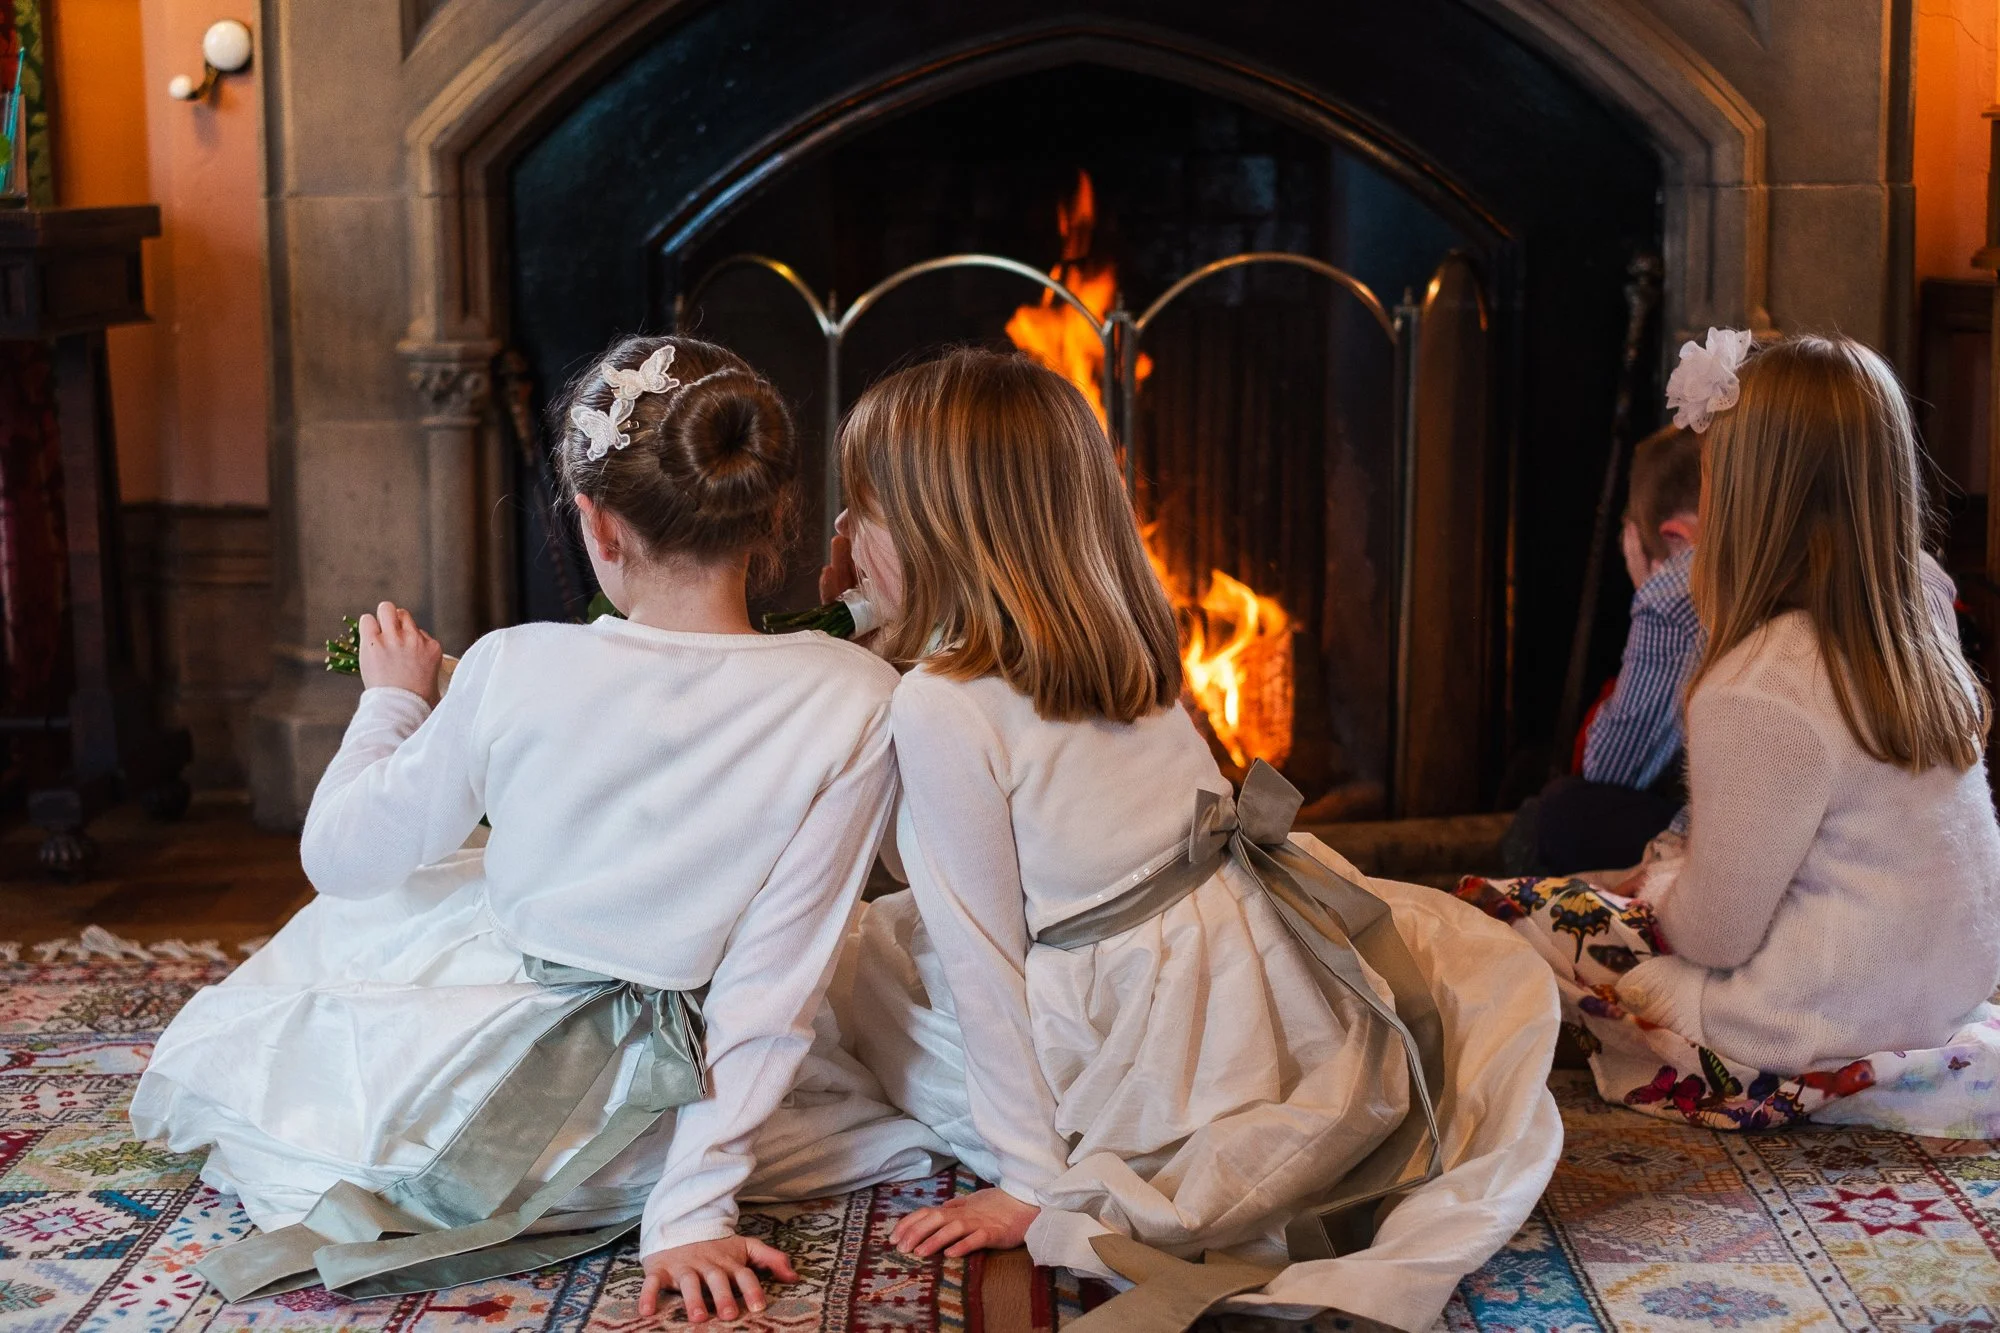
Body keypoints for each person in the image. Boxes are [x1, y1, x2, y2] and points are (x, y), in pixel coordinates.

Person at [129, 335, 945, 1322]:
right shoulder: (856, 693)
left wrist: (392, 701)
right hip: (673, 1114)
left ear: (596, 526)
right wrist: (688, 1213)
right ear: (776, 516)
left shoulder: (510, 664)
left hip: (477, 1088)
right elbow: (774, 981)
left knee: (359, 925)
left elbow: (339, 858)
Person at [828, 348, 1564, 1332]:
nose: (843, 536)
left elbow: (982, 958)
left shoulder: (937, 705)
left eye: (861, 512)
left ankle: (1088, 1145)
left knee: (868, 969)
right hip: (1241, 972)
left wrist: (1029, 1178)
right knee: (904, 940)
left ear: (928, 535)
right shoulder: (1118, 638)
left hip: (1136, 1026)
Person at [1461, 330, 2000, 1137]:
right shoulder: (1923, 608)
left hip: (1796, 1031)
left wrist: (1664, 881)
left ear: (1741, 500)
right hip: (1944, 995)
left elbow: (1712, 933)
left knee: (1496, 915)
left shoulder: (1761, 686)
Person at [1509, 427, 1703, 873]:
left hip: (1714, 838)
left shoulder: (1678, 592)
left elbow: (1610, 768)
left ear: (1672, 537)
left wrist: (1649, 591)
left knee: (1562, 813)